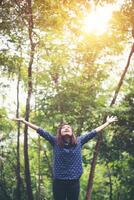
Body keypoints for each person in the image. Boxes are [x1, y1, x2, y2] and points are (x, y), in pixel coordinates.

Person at [14, 116, 117, 200]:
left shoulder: (79, 141)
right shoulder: (55, 142)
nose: (66, 128)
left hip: (74, 182)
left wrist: (107, 123)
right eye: (63, 128)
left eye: (68, 127)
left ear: (72, 133)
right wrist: (24, 121)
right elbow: (40, 130)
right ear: (60, 133)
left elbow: (94, 132)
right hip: (59, 182)